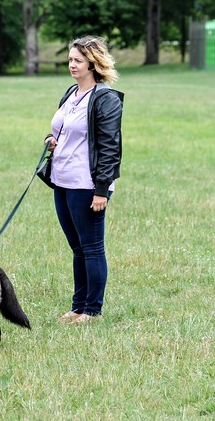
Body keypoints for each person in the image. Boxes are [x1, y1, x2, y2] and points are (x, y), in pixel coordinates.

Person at [44, 36, 124, 325]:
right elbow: (63, 129)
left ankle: (93, 310)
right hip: (62, 181)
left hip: (87, 184)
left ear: (93, 62)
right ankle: (78, 307)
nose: (72, 65)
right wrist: (51, 141)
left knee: (91, 247)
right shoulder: (71, 93)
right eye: (70, 60)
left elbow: (110, 147)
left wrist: (101, 189)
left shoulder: (105, 98)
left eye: (77, 60)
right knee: (77, 248)